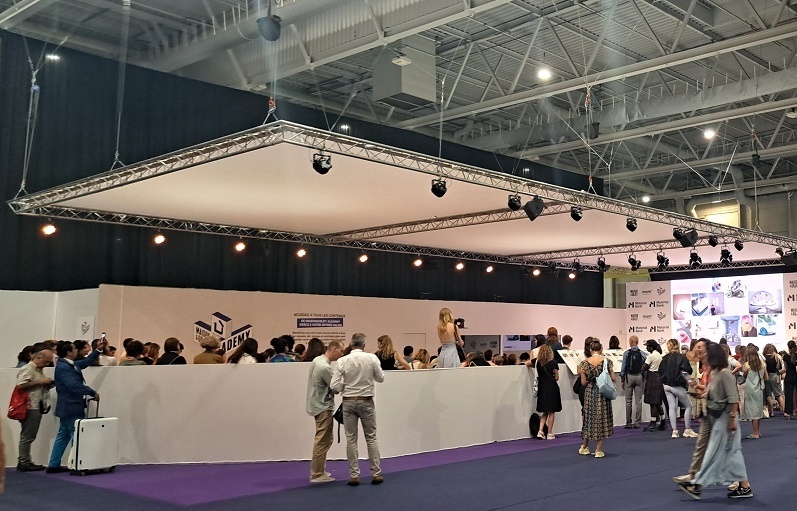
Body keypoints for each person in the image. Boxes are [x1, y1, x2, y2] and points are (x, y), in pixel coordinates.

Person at [676, 343, 753, 499]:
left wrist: (732, 420)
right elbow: (717, 394)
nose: (704, 357)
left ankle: (697, 485)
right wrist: (702, 393)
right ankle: (744, 486)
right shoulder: (716, 373)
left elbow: (733, 398)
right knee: (731, 453)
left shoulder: (725, 374)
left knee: (716, 452)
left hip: (724, 418)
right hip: (719, 417)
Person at [331, 333, 385, 486]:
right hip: (366, 401)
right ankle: (376, 473)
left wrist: (345, 387)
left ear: (351, 344)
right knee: (371, 438)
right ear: (364, 345)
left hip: (348, 402)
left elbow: (334, 386)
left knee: (351, 439)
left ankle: (354, 475)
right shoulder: (371, 358)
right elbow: (381, 378)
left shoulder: (342, 360)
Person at [46, 339, 104, 473]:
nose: (77, 350)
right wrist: (91, 392)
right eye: (74, 348)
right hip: (71, 406)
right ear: (69, 352)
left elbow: (86, 362)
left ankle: (54, 464)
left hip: (67, 407)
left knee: (63, 435)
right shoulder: (65, 367)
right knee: (77, 435)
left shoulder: (67, 364)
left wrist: (98, 350)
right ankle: (77, 465)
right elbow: (74, 386)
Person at [306, 339, 345, 484]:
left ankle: (319, 470)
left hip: (317, 403)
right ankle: (317, 473)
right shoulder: (325, 368)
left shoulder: (317, 361)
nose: (342, 354)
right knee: (322, 440)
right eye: (341, 351)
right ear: (333, 349)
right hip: (323, 406)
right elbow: (336, 387)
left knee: (324, 439)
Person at [15, 344, 55, 471]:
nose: (47, 364)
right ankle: (24, 461)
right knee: (27, 436)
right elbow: (20, 385)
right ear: (38, 357)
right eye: (46, 361)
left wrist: (46, 384)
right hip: (30, 405)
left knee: (29, 435)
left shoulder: (38, 370)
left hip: (36, 405)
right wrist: (41, 382)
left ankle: (25, 460)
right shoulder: (28, 369)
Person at [578, 339, 615, 458]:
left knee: (588, 419)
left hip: (590, 392)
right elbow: (613, 378)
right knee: (601, 419)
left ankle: (585, 447)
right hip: (603, 393)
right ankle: (598, 450)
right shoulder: (607, 362)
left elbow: (583, 383)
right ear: (601, 349)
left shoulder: (584, 363)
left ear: (590, 350)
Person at [660, 338, 696, 438]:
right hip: (678, 385)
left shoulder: (664, 358)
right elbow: (688, 371)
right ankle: (687, 429)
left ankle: (674, 431)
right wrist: (689, 381)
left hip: (666, 386)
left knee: (672, 407)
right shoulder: (682, 357)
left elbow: (660, 371)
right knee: (688, 406)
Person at [620, 335, 647, 429]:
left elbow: (623, 367)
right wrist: (644, 378)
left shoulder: (626, 353)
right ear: (637, 342)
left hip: (629, 377)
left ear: (630, 342)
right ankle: (637, 422)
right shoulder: (642, 354)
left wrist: (622, 379)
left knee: (628, 401)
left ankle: (628, 422)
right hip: (639, 377)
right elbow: (645, 366)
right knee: (638, 401)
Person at [535, 344, 562, 439]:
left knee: (544, 412)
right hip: (552, 388)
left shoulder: (538, 363)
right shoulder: (553, 363)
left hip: (542, 388)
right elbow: (557, 377)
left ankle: (540, 431)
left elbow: (528, 363)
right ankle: (549, 433)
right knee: (551, 412)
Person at [740, 344, 767, 439]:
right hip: (759, 388)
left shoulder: (747, 365)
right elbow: (766, 377)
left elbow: (744, 376)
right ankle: (757, 431)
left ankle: (755, 433)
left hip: (750, 389)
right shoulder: (762, 364)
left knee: (752, 412)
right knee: (758, 410)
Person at [642, 339, 665, 432]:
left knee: (652, 402)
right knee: (658, 402)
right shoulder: (659, 355)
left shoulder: (651, 356)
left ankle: (653, 423)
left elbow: (643, 368)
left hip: (652, 377)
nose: (646, 348)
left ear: (651, 347)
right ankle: (663, 421)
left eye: (647, 346)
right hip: (659, 377)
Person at [762, 343, 785, 416]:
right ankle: (784, 410)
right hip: (775, 375)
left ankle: (770, 411)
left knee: (768, 394)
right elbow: (782, 368)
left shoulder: (764, 357)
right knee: (778, 394)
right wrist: (780, 373)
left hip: (766, 376)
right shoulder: (777, 356)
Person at [784, 340, 797, 419]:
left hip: (788, 376)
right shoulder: (795, 356)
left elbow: (785, 367)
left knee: (788, 395)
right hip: (795, 376)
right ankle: (795, 410)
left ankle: (788, 412)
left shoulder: (786, 356)